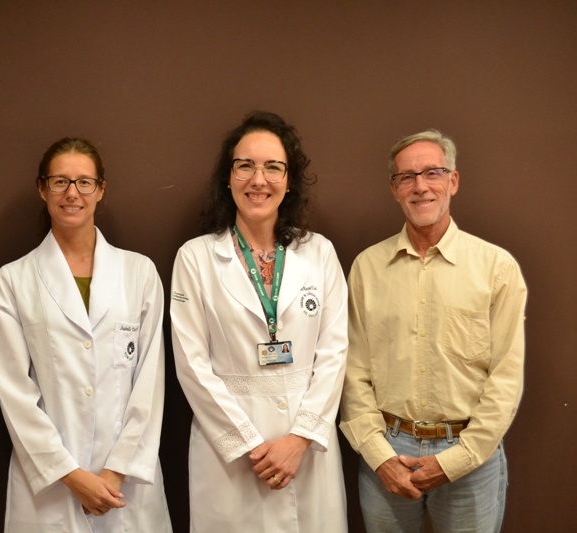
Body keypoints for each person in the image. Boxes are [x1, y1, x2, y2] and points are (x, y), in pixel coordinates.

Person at [340, 130, 527, 532]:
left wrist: (456, 460)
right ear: (394, 189)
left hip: (470, 456)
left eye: (433, 173)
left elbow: (506, 378)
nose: (420, 186)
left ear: (453, 181)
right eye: (406, 177)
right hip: (387, 454)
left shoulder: (497, 269)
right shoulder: (367, 269)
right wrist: (379, 455)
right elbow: (352, 371)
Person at [170, 111, 348, 532]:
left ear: (289, 181)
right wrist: (251, 446)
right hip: (232, 456)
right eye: (245, 165)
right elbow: (191, 365)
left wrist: (299, 439)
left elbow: (335, 352)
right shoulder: (195, 258)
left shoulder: (319, 253)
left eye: (273, 167)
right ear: (228, 177)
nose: (258, 179)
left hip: (307, 450)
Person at [0, 137, 171, 532]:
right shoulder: (13, 281)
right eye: (60, 182)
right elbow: (15, 393)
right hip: (51, 486)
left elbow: (149, 384)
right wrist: (70, 475)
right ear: (42, 188)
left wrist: (116, 472)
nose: (72, 193)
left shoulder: (139, 274)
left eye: (84, 182)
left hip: (126, 485)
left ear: (101, 189)